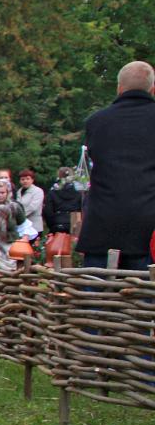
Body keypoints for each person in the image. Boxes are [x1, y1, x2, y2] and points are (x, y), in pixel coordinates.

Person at [77, 61, 155, 271]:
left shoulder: (96, 122)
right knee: (142, 298)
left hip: (101, 223)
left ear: (119, 88)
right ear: (152, 89)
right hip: (146, 225)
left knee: (93, 295)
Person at [43, 166, 83, 258]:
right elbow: (82, 208)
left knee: (56, 252)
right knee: (73, 252)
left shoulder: (53, 192)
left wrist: (52, 226)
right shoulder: (79, 192)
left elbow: (48, 211)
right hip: (74, 224)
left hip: (57, 224)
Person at [14, 168, 45, 236]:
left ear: (32, 180)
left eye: (27, 179)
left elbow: (33, 207)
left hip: (34, 226)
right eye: (23, 179)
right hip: (21, 227)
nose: (25, 181)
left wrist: (19, 216)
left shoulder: (38, 191)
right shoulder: (19, 192)